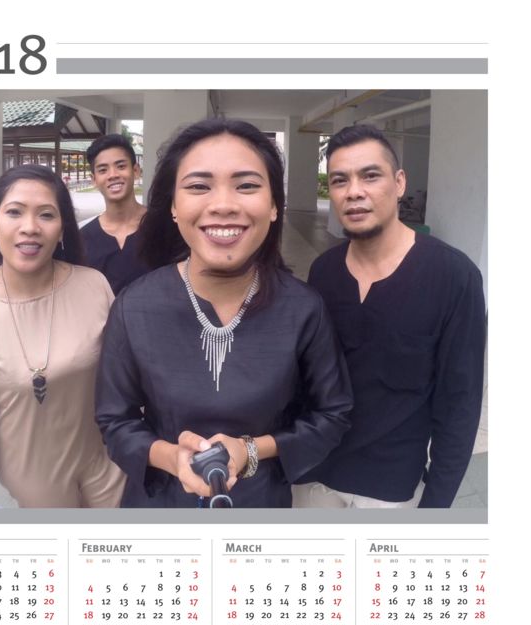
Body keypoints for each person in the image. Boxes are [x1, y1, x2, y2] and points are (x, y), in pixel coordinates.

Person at [94, 118, 353, 508]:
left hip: (261, 502)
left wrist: (251, 450)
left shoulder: (302, 308)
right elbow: (115, 421)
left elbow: (332, 414)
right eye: (199, 186)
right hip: (162, 503)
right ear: (174, 207)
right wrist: (172, 458)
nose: (223, 205)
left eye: (246, 185)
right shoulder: (134, 306)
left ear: (273, 207)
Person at [293, 124, 486, 509]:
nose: (354, 191)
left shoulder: (453, 276)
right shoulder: (324, 271)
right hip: (314, 477)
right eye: (340, 180)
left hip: (390, 489)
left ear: (399, 183)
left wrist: (437, 504)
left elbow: (459, 404)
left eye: (370, 175)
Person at [0, 164, 125, 508]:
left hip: (107, 462)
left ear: (62, 229)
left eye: (46, 214)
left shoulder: (94, 286)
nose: (30, 227)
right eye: (14, 212)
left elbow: (123, 375)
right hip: (34, 477)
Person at [80, 133, 149, 295]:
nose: (113, 175)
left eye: (121, 166)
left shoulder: (163, 227)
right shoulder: (82, 239)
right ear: (94, 179)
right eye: (103, 170)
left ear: (136, 171)